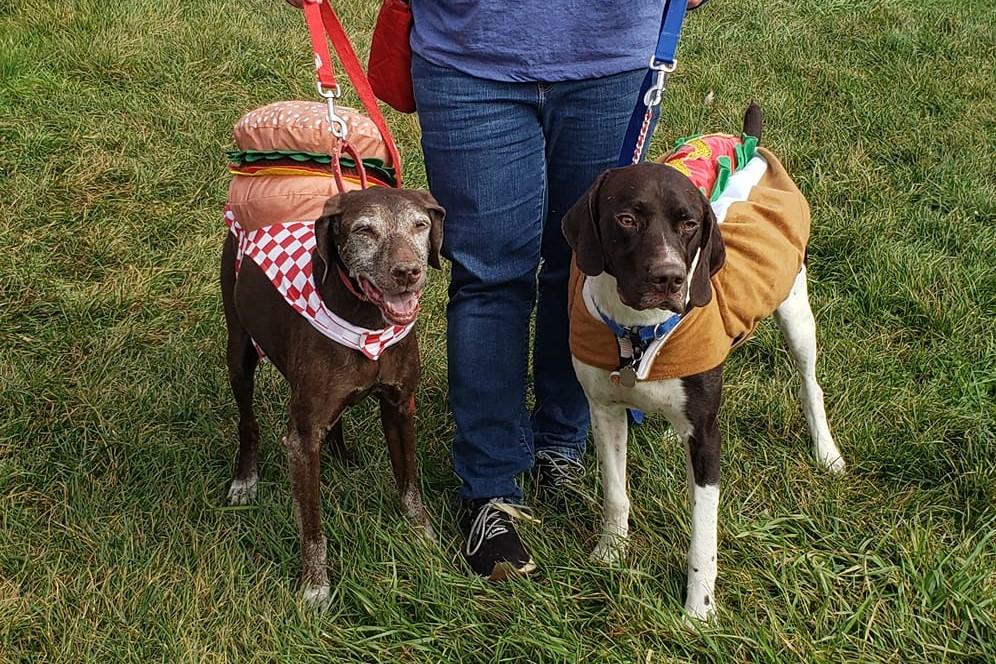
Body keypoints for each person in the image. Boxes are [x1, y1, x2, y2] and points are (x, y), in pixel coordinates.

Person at [286, 0, 704, 580]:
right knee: (487, 277)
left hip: (613, 51)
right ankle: (490, 489)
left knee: (587, 266)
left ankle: (564, 442)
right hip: (469, 53)